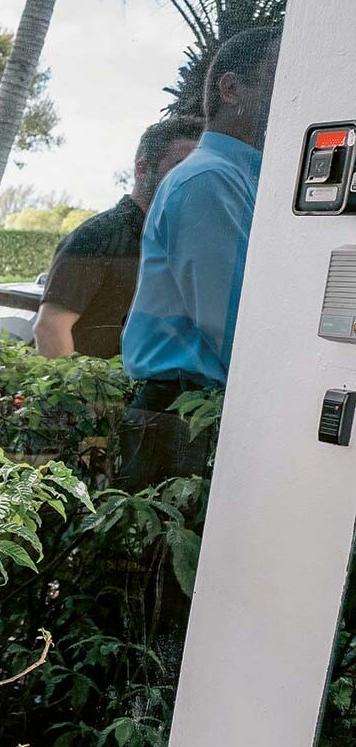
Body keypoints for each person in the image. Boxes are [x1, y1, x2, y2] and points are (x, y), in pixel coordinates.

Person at [116, 27, 282, 489]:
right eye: (275, 76)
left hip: (186, 412)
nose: (287, 92)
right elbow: (229, 319)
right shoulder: (207, 179)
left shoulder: (241, 178)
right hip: (180, 418)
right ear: (230, 89)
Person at [34, 115, 202, 359]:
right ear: (142, 169)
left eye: (195, 169)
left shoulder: (181, 241)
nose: (188, 178)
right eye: (178, 166)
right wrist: (88, 396)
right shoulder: (96, 237)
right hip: (98, 393)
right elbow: (49, 328)